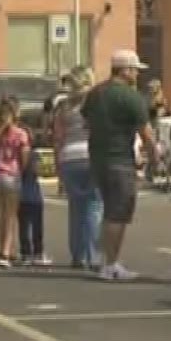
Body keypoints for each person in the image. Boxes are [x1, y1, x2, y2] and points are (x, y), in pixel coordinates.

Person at [83, 50, 159, 281]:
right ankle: (111, 264)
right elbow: (146, 133)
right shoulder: (130, 97)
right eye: (135, 70)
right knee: (119, 213)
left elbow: (87, 120)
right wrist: (155, 159)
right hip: (120, 160)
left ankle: (104, 259)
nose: (137, 74)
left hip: (98, 158)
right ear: (125, 70)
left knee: (108, 211)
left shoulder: (96, 93)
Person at [53, 66, 102, 271]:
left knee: (76, 208)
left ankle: (77, 255)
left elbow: (58, 137)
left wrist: (58, 167)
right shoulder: (96, 102)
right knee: (94, 206)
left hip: (68, 157)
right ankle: (94, 256)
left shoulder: (63, 105)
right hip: (91, 155)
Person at [0, 96, 31, 267]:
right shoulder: (20, 134)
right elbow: (24, 156)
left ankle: (7, 249)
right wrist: (22, 168)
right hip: (12, 174)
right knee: (11, 215)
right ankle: (5, 251)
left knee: (2, 213)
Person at [18, 124, 49, 266]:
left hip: (20, 193)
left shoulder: (16, 155)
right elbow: (37, 171)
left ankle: (25, 253)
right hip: (34, 196)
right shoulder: (33, 154)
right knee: (37, 226)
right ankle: (38, 252)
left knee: (23, 226)